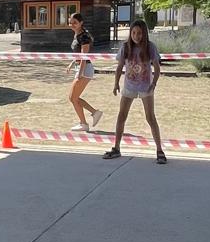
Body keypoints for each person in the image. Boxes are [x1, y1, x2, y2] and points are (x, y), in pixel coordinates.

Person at [101, 19, 166, 165]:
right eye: (134, 33)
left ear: (144, 34)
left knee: (150, 118)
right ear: (130, 33)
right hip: (129, 87)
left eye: (139, 33)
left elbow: (156, 68)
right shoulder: (125, 47)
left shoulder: (150, 47)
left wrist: (154, 84)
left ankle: (159, 150)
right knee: (121, 115)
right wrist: (116, 83)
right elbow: (119, 67)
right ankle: (116, 147)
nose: (136, 36)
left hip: (145, 88)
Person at [64, 12, 102, 132]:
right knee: (74, 98)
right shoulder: (77, 35)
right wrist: (71, 64)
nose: (72, 24)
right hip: (80, 67)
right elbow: (78, 55)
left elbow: (84, 56)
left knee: (72, 97)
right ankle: (93, 114)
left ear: (81, 23)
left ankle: (85, 121)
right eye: (70, 22)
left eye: (75, 22)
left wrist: (80, 73)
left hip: (85, 69)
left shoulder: (84, 36)